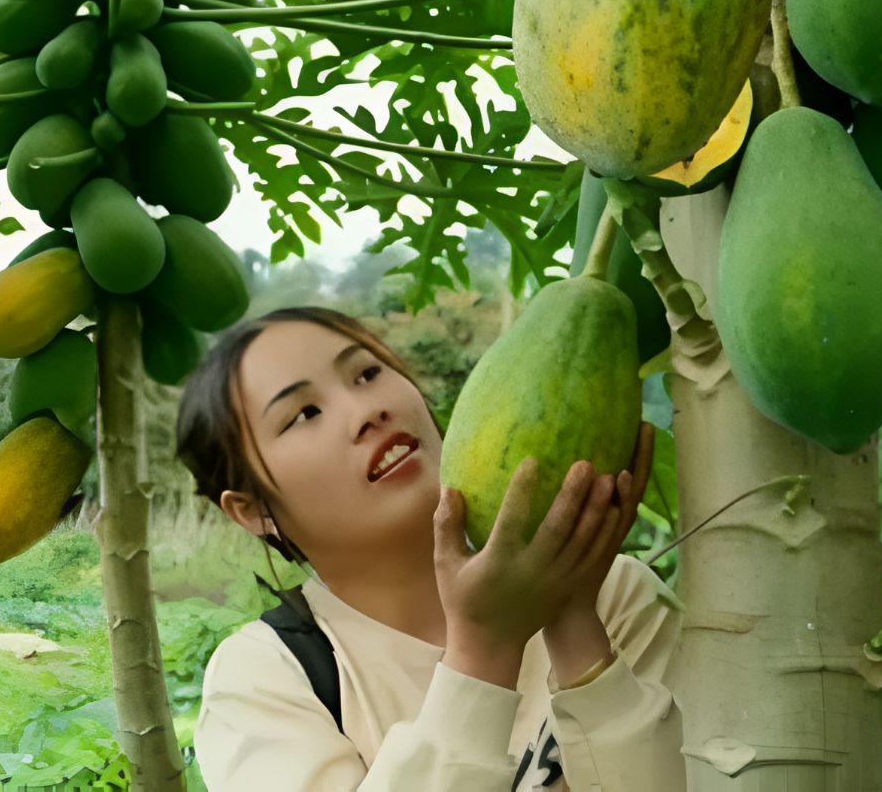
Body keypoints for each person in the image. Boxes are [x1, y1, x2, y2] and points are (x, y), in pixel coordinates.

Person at [178, 306, 685, 790]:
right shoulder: (264, 680)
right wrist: (485, 651)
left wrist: (574, 619)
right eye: (305, 413)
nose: (367, 410)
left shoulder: (614, 595)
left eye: (367, 373)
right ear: (253, 511)